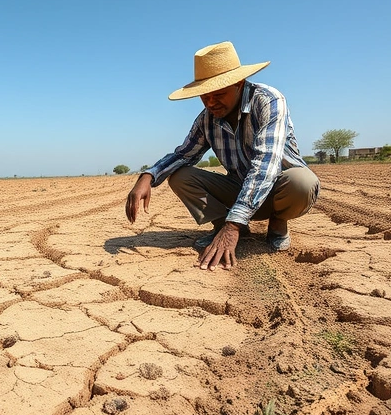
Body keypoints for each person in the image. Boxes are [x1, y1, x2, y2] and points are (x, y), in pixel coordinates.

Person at [125, 41, 319, 271]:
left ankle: (278, 222)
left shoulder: (268, 101)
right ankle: (221, 224)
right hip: (238, 188)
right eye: (204, 97)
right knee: (180, 175)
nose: (210, 103)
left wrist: (233, 225)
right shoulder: (207, 118)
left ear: (238, 83)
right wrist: (147, 176)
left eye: (218, 94)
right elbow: (184, 154)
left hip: (279, 190)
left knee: (303, 181)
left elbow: (266, 164)